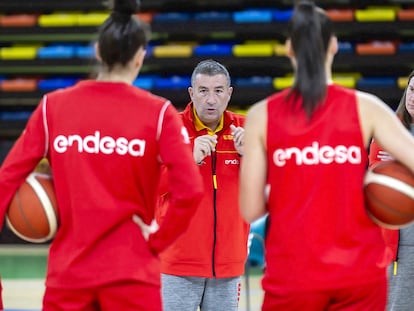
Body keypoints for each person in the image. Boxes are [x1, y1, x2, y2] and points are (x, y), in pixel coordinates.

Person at [0, 0, 203, 310]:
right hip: (132, 275)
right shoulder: (159, 113)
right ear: (140, 56)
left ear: (98, 52)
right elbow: (190, 191)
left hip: (68, 277)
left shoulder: (52, 108)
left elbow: (6, 180)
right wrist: (156, 243)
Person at [239, 1, 414, 310]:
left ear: (289, 49)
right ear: (334, 45)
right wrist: (379, 188)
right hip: (359, 275)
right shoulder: (367, 107)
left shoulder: (261, 115)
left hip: (292, 274)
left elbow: (251, 208)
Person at [156, 59, 250, 311]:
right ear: (191, 93)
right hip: (177, 264)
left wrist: (250, 159)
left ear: (229, 93)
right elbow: (148, 188)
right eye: (203, 91)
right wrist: (187, 161)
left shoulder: (247, 129)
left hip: (228, 265)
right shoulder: (169, 129)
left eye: (218, 91)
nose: (211, 100)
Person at [369, 70, 414, 311]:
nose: (413, 97)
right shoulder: (387, 129)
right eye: (412, 89)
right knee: (396, 305)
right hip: (397, 243)